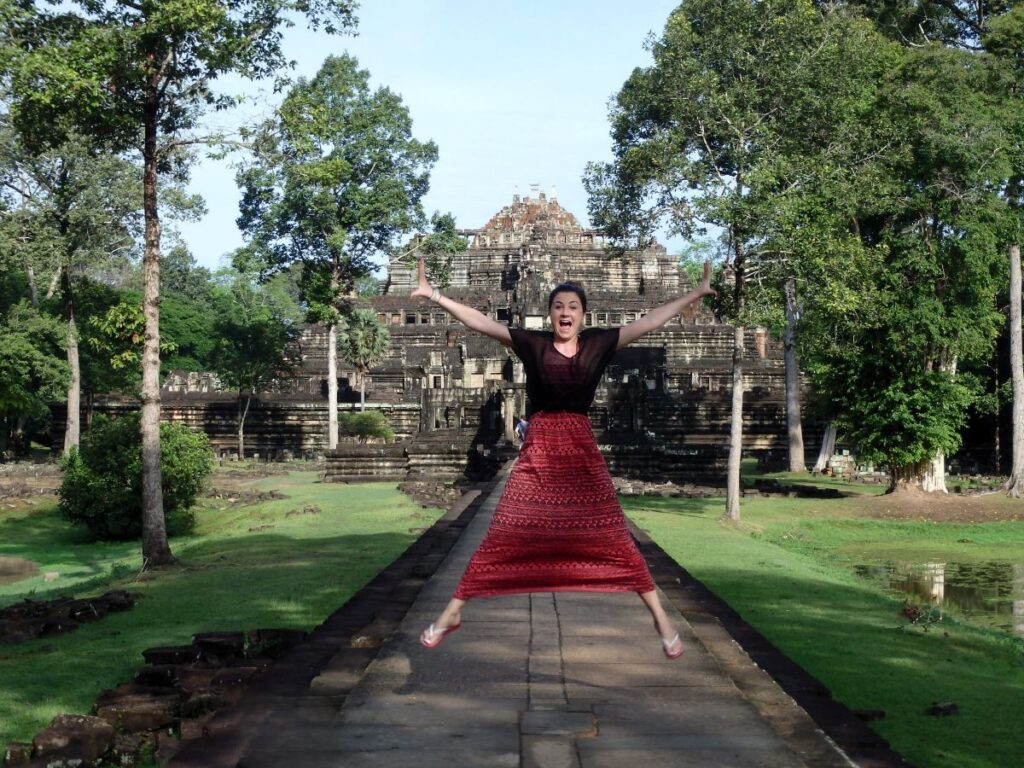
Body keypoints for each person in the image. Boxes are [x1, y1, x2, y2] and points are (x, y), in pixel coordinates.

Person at [411, 257, 716, 659]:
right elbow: (481, 324)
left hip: (580, 449)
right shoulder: (533, 344)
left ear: (584, 315)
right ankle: (453, 612)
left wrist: (693, 294)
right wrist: (434, 295)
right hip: (539, 448)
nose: (565, 312)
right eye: (558, 306)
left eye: (573, 306)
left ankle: (661, 620)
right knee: (505, 529)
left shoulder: (599, 343)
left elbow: (649, 322)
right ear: (549, 313)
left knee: (611, 533)